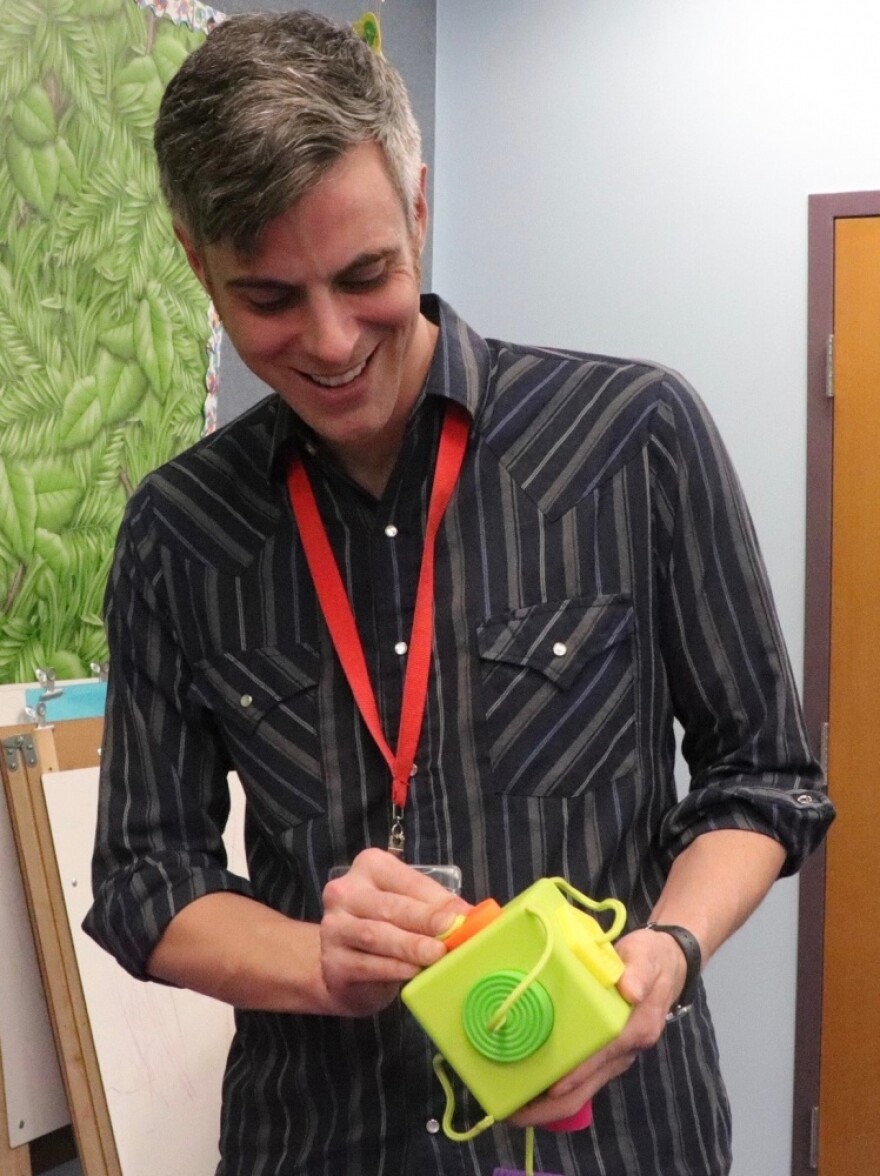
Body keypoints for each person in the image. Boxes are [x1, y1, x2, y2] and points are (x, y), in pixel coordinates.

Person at [84, 11, 834, 1176]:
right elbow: (146, 881)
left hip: (620, 1141)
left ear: (418, 208)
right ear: (196, 263)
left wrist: (669, 953)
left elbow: (763, 780)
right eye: (269, 299)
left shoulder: (633, 439)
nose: (330, 342)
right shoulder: (179, 533)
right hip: (324, 1141)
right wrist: (315, 963)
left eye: (365, 274)